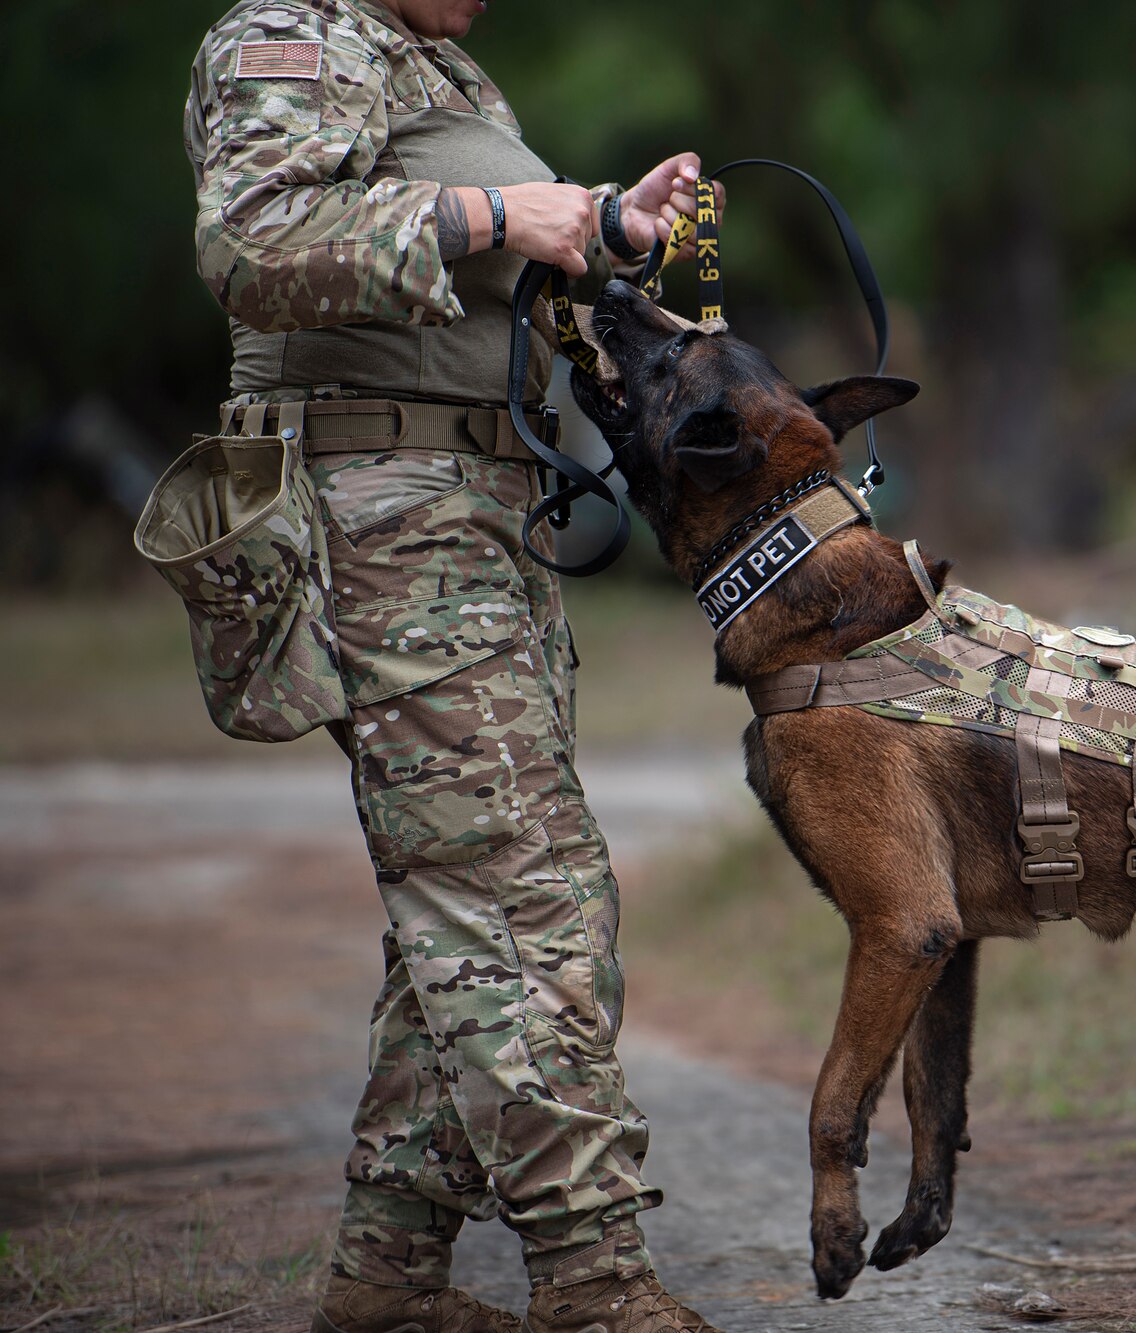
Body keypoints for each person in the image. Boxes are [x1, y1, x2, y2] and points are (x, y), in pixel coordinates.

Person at [184, 2, 721, 1329]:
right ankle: (596, 1284)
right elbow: (251, 243)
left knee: (485, 902)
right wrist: (497, 219)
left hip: (472, 514)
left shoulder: (438, 64)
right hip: (382, 513)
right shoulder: (288, 35)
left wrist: (604, 231)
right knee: (516, 903)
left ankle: (386, 1287)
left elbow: (492, 256)